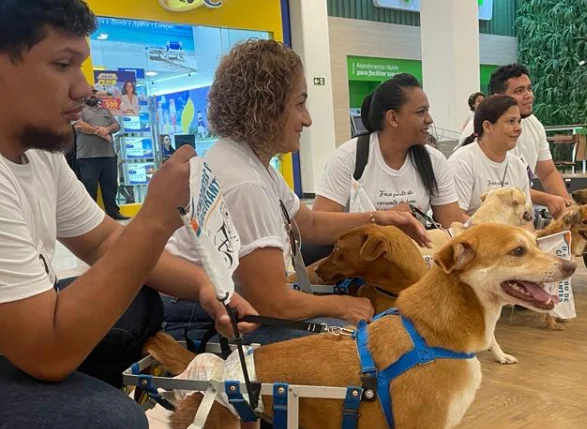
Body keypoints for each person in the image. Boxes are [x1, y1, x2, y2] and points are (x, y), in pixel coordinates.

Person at [0, 0, 259, 429]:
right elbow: (47, 352)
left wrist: (202, 285)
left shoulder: (37, 150)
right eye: (62, 65)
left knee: (139, 305)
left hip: (0, 351)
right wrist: (156, 219)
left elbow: (103, 239)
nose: (83, 88)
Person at [165, 40, 430, 346]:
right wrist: (341, 306)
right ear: (265, 108)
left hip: (223, 307)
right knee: (363, 344)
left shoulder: (247, 162)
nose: (308, 119)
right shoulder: (245, 183)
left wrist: (379, 218)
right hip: (202, 319)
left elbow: (309, 223)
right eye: (299, 104)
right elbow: (273, 305)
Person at [314, 74, 468, 227]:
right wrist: (378, 219)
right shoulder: (348, 158)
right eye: (421, 112)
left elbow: (452, 226)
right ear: (393, 118)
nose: (429, 119)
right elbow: (319, 226)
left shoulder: (434, 160)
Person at [456, 64, 574, 218]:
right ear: (498, 97)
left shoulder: (534, 125)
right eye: (519, 91)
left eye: (529, 89)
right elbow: (456, 214)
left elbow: (548, 173)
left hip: (518, 221)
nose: (528, 95)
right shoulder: (476, 136)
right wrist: (547, 199)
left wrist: (567, 206)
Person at [449, 94, 532, 222]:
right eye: (511, 121)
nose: (518, 128)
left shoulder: (518, 166)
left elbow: (526, 220)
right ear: (487, 126)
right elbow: (455, 218)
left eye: (519, 121)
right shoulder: (462, 162)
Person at [73, 91, 125, 220]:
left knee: (111, 186)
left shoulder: (105, 110)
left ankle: (113, 212)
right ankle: (90, 217)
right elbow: (79, 125)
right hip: (88, 157)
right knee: (89, 187)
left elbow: (116, 125)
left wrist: (107, 129)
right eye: (90, 93)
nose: (92, 96)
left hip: (108, 155)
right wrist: (99, 132)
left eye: (94, 94)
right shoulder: (78, 109)